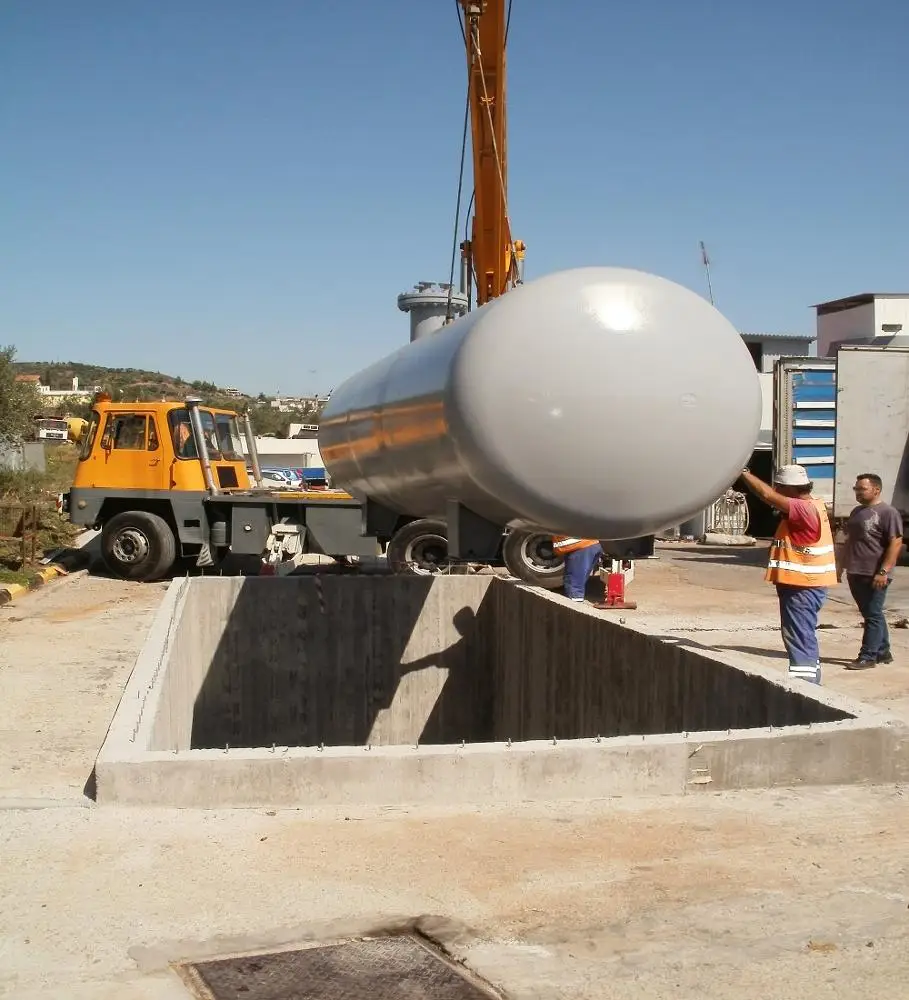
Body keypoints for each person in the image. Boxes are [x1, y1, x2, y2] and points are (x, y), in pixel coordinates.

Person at [740, 464, 838, 684]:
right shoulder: (815, 505)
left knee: (799, 638)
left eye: (780, 488)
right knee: (803, 636)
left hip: (801, 587)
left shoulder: (803, 510)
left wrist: (743, 472)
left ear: (790, 489)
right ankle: (812, 680)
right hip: (805, 585)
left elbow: (766, 495)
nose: (776, 491)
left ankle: (805, 689)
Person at [842, 473, 904, 670]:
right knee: (871, 613)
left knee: (873, 614)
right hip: (855, 571)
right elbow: (847, 541)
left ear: (876, 489)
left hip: (875, 573)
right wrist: (839, 567)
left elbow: (896, 543)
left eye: (862, 489)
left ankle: (868, 656)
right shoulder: (856, 512)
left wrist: (884, 571)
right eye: (856, 489)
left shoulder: (888, 512)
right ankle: (883, 651)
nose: (858, 493)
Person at [552, 536, 603, 602]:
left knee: (574, 585)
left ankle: (574, 608)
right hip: (589, 543)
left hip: (579, 546)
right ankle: (576, 604)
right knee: (578, 581)